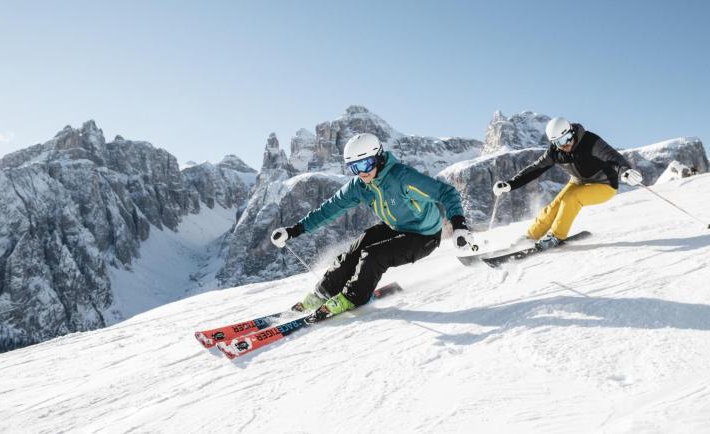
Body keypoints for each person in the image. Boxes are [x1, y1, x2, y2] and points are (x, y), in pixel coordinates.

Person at [270, 133, 474, 321]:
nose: (362, 173)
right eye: (354, 168)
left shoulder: (402, 178)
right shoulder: (359, 186)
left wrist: (459, 225)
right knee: (355, 250)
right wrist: (293, 231)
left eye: (366, 164)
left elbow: (447, 193)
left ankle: (352, 297)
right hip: (395, 227)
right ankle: (322, 293)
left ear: (378, 158)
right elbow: (329, 209)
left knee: (374, 255)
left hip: (424, 235)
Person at [492, 117, 643, 250]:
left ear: (572, 132)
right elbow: (535, 169)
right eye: (559, 143)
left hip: (605, 185)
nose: (565, 145)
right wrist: (510, 184)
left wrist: (625, 171)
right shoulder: (555, 152)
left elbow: (612, 157)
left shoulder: (590, 141)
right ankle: (531, 236)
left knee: (571, 199)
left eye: (566, 139)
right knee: (554, 206)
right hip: (578, 181)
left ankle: (556, 236)